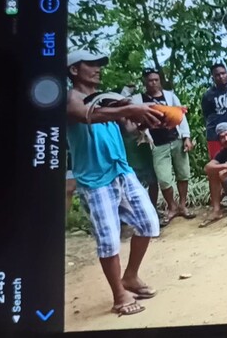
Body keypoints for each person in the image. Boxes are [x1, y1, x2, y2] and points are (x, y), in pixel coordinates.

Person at [66, 50, 163, 316]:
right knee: (109, 240)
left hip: (122, 170)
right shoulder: (69, 98)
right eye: (91, 65)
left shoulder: (105, 98)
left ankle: (130, 277)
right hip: (94, 179)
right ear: (74, 70)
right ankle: (119, 296)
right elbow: (88, 115)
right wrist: (129, 107)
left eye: (99, 65)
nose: (98, 69)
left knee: (148, 223)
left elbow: (127, 130)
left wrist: (144, 122)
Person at [132, 68, 195, 226]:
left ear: (160, 80)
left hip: (176, 140)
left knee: (183, 173)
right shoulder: (139, 100)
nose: (153, 83)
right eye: (150, 81)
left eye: (156, 80)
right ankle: (171, 206)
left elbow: (181, 116)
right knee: (164, 179)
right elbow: (133, 118)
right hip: (158, 144)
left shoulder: (170, 96)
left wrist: (186, 137)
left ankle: (182, 205)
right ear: (144, 82)